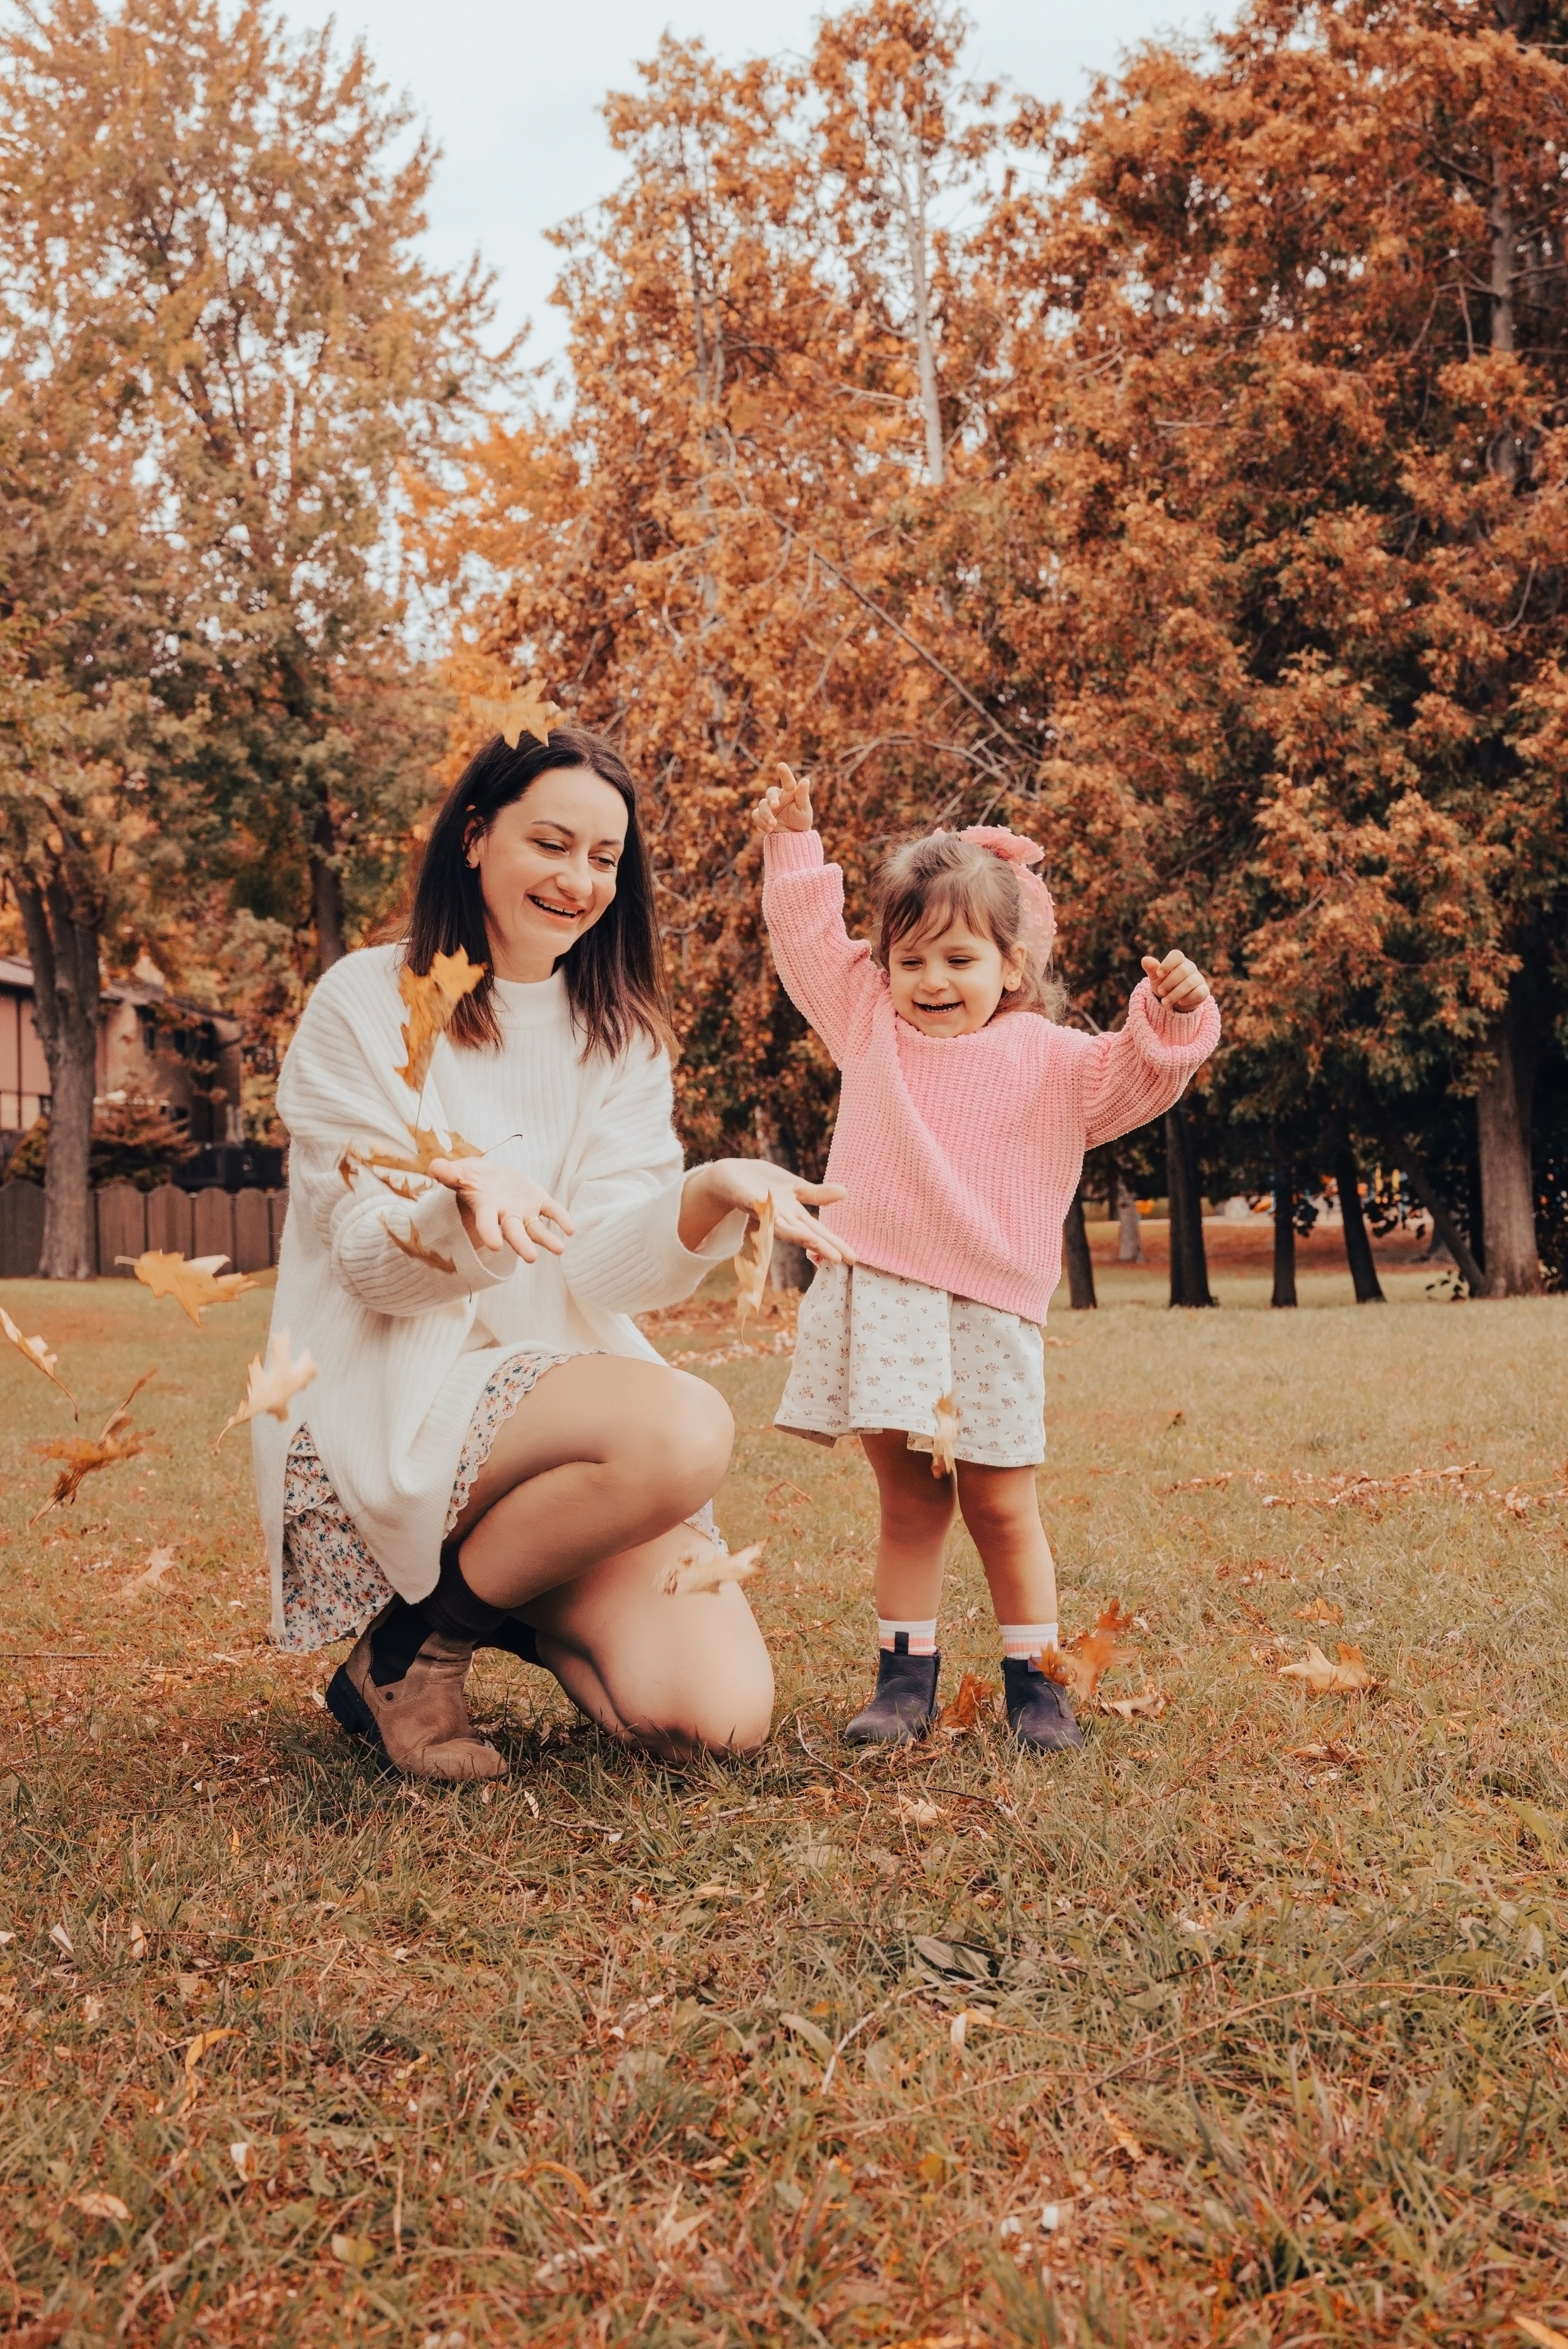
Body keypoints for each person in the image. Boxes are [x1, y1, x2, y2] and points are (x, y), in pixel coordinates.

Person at [254, 726, 849, 1783]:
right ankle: (417, 1652)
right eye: (552, 843)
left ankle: (487, 1592)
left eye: (606, 858)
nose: (580, 880)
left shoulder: (618, 1036)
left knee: (716, 1719)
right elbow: (362, 1263)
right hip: (389, 1401)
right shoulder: (367, 1001)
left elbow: (601, 1271)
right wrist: (460, 1206)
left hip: (559, 1434)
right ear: (476, 838)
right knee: (683, 1426)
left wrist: (708, 1191)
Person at [753, 766, 1219, 1754]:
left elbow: (1144, 1074)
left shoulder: (1053, 1059)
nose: (932, 982)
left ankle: (1038, 1691)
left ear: (1012, 964)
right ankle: (902, 1685)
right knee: (911, 1503)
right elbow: (803, 944)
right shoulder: (868, 1023)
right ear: (884, 966)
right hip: (880, 1296)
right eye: (910, 959)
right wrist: (795, 841)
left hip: (989, 1310)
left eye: (959, 959)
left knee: (1002, 1505)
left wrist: (1174, 1009)